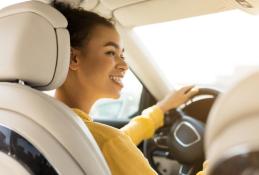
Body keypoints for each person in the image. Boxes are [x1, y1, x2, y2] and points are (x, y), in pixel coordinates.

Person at [52, 2, 200, 175]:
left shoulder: (46, 119)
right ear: (74, 58)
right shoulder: (105, 141)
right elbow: (111, 143)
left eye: (121, 55)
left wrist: (160, 110)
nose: (124, 65)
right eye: (110, 52)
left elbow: (112, 143)